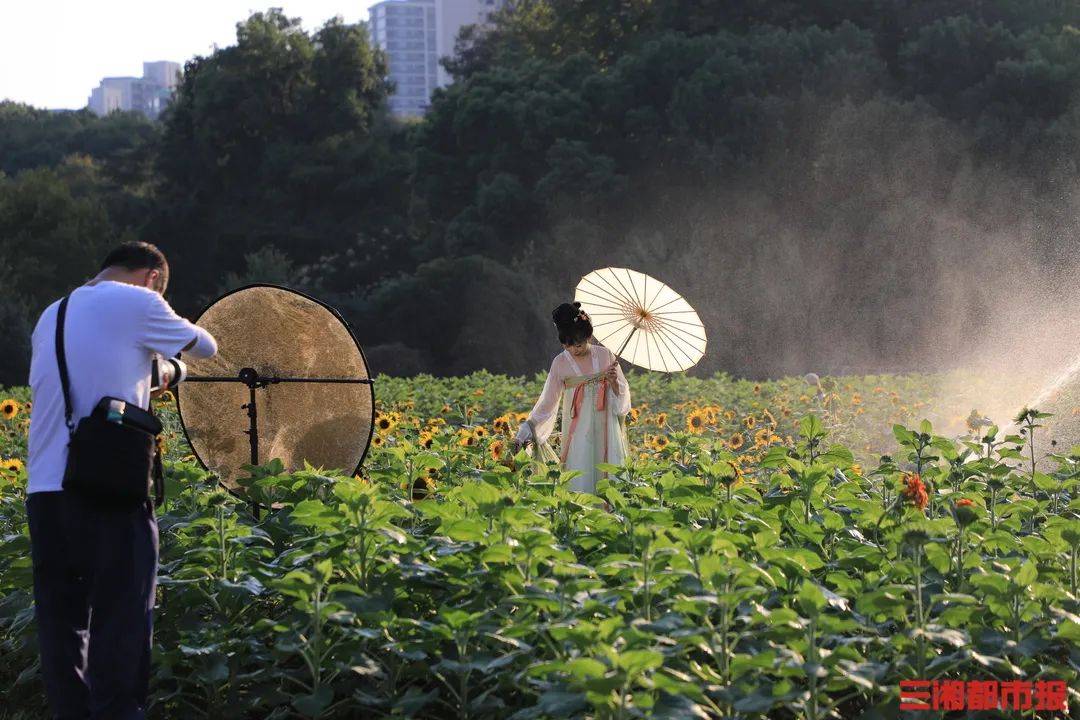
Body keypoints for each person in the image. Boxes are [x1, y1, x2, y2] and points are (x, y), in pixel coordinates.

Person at [25, 241, 218, 720]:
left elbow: (99, 368)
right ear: (152, 277)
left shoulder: (54, 313)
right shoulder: (138, 300)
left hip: (45, 492)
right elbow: (205, 346)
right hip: (105, 487)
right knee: (123, 614)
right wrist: (178, 369)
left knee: (63, 621)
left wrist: (157, 369)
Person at [513, 302, 631, 494]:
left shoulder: (605, 356)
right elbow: (548, 402)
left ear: (589, 336)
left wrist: (614, 383)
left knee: (609, 481)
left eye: (579, 344)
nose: (575, 350)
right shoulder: (560, 363)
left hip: (606, 429)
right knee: (580, 478)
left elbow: (623, 402)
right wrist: (529, 427)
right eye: (568, 345)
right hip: (578, 433)